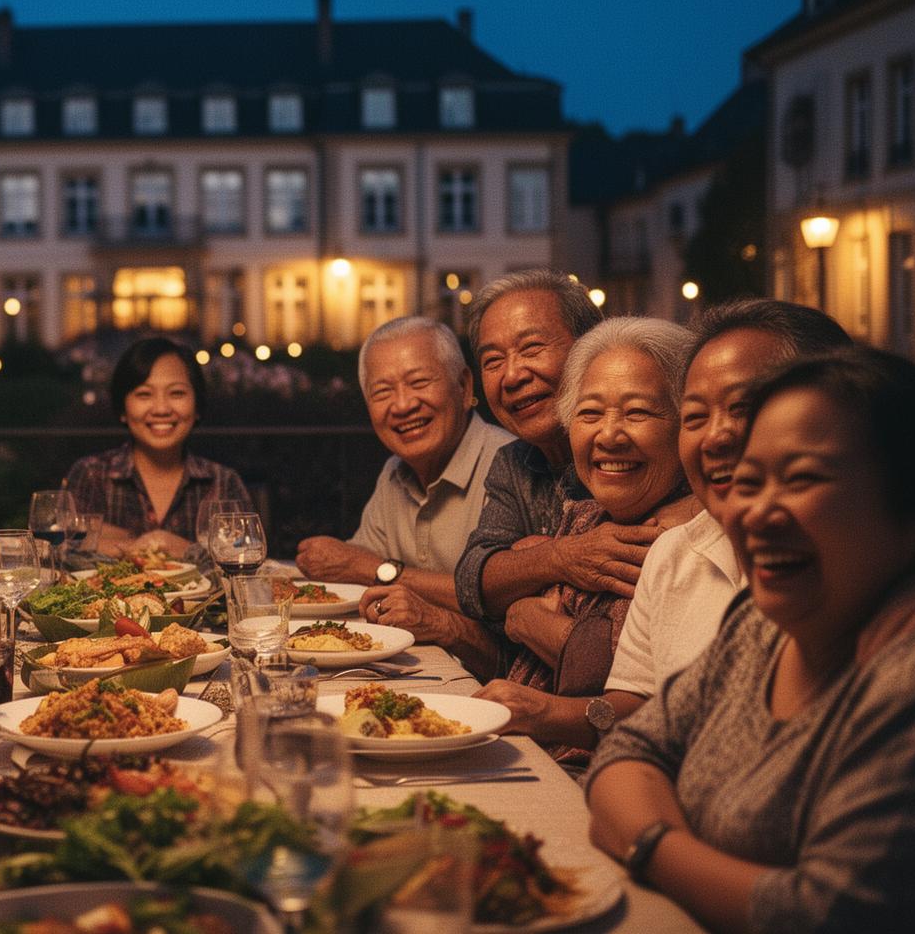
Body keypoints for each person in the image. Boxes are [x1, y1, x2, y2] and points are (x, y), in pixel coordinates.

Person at [586, 347, 915, 931]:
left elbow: (829, 916)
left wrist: (650, 847)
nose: (758, 511)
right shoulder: (761, 628)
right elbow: (626, 750)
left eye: (802, 478)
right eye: (750, 479)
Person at [474, 317, 696, 761]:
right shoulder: (585, 517)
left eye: (637, 413)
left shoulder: (688, 542)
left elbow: (645, 701)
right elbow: (479, 581)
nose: (609, 435)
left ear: (686, 424)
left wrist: (533, 621)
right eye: (589, 413)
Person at [291, 317, 511, 675]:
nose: (403, 404)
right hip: (412, 675)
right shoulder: (395, 471)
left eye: (419, 382)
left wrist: (372, 570)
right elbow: (353, 577)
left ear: (464, 385)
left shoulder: (510, 467)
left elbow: (501, 601)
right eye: (382, 392)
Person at [453, 271, 666, 627]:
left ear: (591, 347)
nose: (512, 375)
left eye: (531, 348)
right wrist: (559, 558)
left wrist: (522, 586)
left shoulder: (635, 453)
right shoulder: (514, 461)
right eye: (492, 361)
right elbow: (472, 580)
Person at [64, 336, 252, 554]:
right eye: (144, 394)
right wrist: (138, 544)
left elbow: (245, 559)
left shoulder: (223, 483)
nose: (161, 408)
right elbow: (65, 552)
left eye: (177, 393)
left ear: (197, 405)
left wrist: (184, 550)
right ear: (123, 409)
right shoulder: (91, 475)